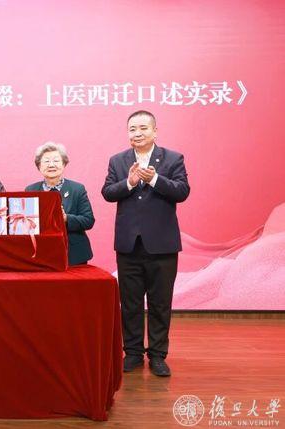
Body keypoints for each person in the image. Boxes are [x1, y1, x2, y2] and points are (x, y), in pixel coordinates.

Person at [101, 110, 190, 377]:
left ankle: (158, 356)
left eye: (143, 128)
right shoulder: (118, 160)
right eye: (132, 129)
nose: (137, 133)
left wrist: (153, 179)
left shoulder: (173, 158)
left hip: (162, 245)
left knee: (160, 303)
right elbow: (107, 192)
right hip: (128, 245)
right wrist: (129, 182)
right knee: (130, 303)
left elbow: (182, 191)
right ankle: (133, 353)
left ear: (155, 131)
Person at [25, 142, 94, 265]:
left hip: (73, 254)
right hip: (41, 253)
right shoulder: (30, 190)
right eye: (46, 161)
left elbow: (88, 220)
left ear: (64, 164)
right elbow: (25, 223)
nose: (51, 165)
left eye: (56, 161)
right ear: (39, 166)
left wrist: (66, 218)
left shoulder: (77, 189)